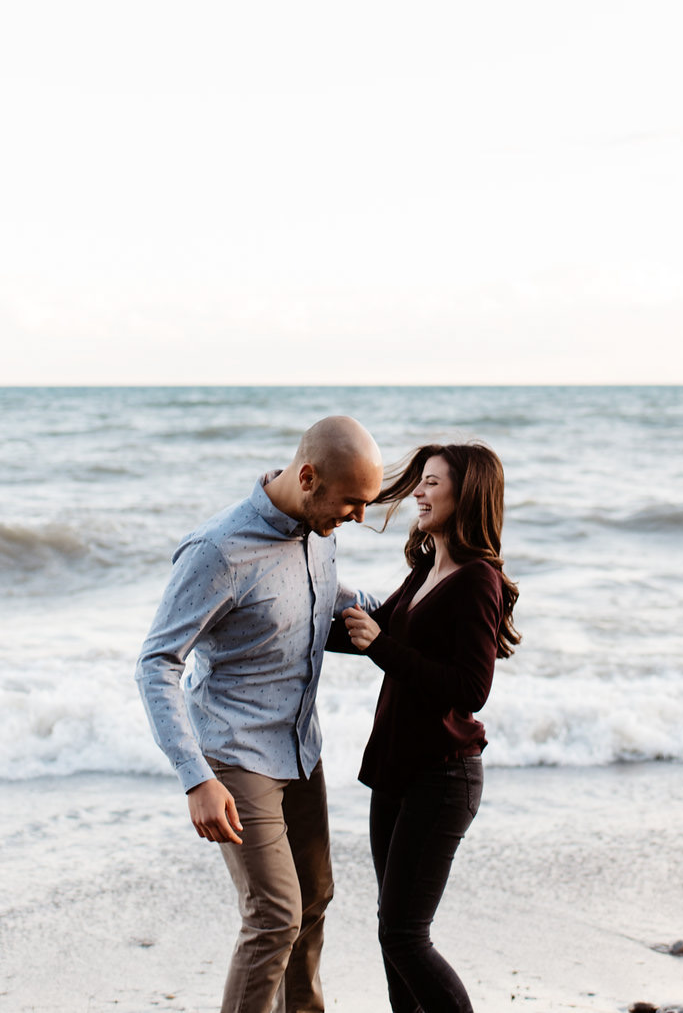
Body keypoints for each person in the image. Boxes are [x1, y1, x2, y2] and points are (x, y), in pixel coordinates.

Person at [136, 416, 385, 1013]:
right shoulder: (218, 552)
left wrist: (423, 613)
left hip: (301, 747)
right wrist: (196, 778)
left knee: (316, 898)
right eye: (351, 504)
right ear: (307, 477)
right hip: (236, 755)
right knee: (275, 917)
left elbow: (319, 611)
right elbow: (156, 663)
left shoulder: (320, 528)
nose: (356, 518)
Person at [336, 441, 520, 1013]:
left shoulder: (477, 581)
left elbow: (471, 689)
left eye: (433, 482)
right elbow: (364, 634)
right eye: (421, 482)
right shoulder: (424, 570)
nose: (419, 491)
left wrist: (383, 646)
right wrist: (287, 604)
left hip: (443, 777)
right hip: (397, 771)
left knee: (404, 936)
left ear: (467, 494)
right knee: (394, 934)